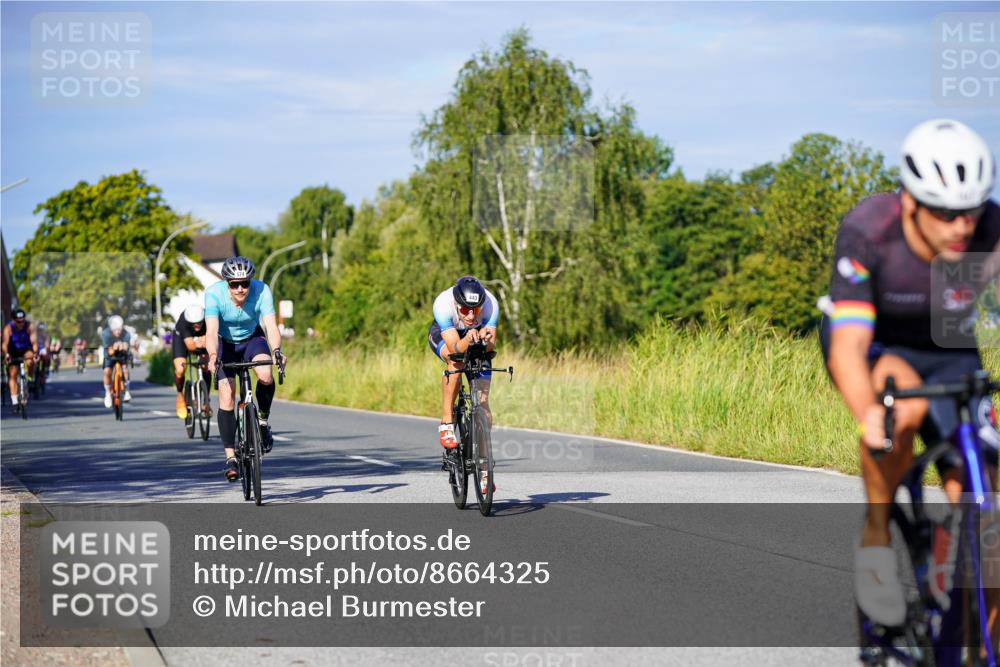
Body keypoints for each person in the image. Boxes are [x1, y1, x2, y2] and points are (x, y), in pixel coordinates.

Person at [822, 119, 998, 627]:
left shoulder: (991, 229)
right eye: (945, 213)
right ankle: (877, 537)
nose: (962, 226)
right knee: (901, 410)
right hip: (880, 341)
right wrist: (867, 413)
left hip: (947, 344)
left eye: (971, 210)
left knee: (986, 503)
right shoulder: (870, 231)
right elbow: (849, 345)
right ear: (909, 203)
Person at [205, 256, 285, 481]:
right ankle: (231, 457)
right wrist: (213, 356)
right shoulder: (213, 294)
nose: (240, 289)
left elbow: (271, 326)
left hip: (252, 339)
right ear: (227, 283)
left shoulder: (262, 290)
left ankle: (262, 421)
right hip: (224, 344)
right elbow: (211, 331)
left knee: (266, 374)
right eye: (234, 284)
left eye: (245, 283)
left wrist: (276, 351)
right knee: (227, 393)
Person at [428, 276, 499, 489]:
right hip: (448, 335)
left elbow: (490, 345)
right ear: (456, 304)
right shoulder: (443, 304)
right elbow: (455, 348)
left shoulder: (491, 304)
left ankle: (485, 469)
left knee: (483, 404)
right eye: (465, 310)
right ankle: (447, 421)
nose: (470, 315)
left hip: (475, 338)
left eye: (475, 310)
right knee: (456, 362)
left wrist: (485, 338)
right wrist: (467, 338)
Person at [172, 304, 212, 419]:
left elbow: (212, 338)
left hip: (199, 340)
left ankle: (206, 401)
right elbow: (190, 346)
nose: (197, 325)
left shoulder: (208, 318)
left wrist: (203, 341)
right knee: (180, 369)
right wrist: (202, 341)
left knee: (206, 366)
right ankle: (180, 396)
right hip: (181, 339)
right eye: (194, 323)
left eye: (199, 322)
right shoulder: (183, 322)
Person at [2, 308, 37, 406]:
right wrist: (6, 354)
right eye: (18, 322)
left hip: (25, 349)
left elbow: (34, 342)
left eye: (23, 321)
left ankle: (30, 379)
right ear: (13, 320)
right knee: (12, 373)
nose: (21, 323)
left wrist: (35, 353)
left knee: (30, 360)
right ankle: (14, 401)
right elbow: (4, 344)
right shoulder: (8, 328)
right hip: (13, 351)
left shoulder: (29, 326)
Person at [102, 315, 132, 407]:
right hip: (110, 354)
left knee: (125, 369)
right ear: (111, 329)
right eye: (116, 330)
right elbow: (110, 351)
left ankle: (126, 390)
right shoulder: (106, 334)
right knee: (107, 371)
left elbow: (126, 347)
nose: (118, 332)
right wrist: (115, 348)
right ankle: (108, 393)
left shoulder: (126, 334)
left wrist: (122, 347)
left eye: (120, 329)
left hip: (122, 354)